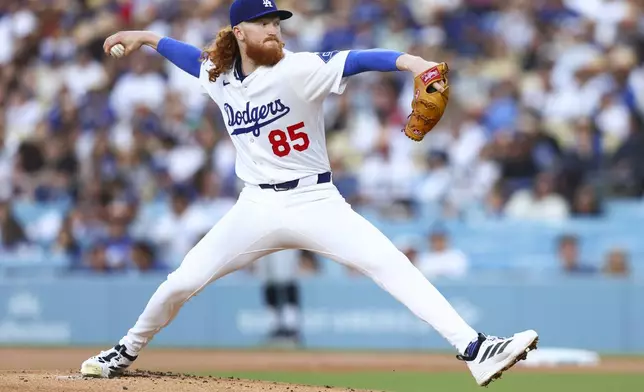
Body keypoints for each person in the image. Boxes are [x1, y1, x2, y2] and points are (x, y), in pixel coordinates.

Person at [80, 0, 538, 386]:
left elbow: (359, 58)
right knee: (181, 281)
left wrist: (414, 63)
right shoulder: (217, 75)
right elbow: (185, 56)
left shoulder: (300, 68)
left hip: (316, 201)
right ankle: (124, 351)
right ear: (239, 32)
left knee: (390, 264)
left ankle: (476, 349)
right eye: (265, 23)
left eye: (278, 22)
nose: (275, 30)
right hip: (255, 206)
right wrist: (142, 35)